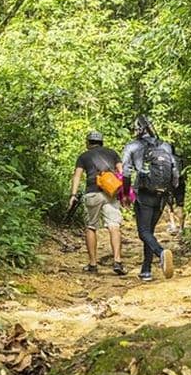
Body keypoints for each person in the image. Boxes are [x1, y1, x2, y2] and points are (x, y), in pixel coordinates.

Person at [121, 116, 177, 281]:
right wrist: (169, 194)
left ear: (138, 129)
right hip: (162, 194)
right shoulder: (165, 146)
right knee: (149, 231)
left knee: (143, 231)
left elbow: (126, 172)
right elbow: (175, 174)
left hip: (144, 193)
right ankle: (146, 270)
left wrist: (125, 193)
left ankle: (161, 253)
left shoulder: (132, 146)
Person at [68, 131, 125, 275]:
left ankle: (93, 264)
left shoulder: (84, 156)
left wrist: (73, 195)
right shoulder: (112, 153)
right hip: (110, 193)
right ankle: (117, 261)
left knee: (91, 227)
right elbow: (122, 172)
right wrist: (124, 193)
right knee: (114, 226)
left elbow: (77, 176)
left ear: (88, 143)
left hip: (92, 193)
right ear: (101, 142)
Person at [166, 144, 187, 237]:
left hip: (169, 185)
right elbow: (185, 174)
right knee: (180, 205)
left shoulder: (165, 160)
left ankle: (173, 225)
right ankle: (182, 228)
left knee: (169, 205)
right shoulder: (180, 159)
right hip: (181, 184)